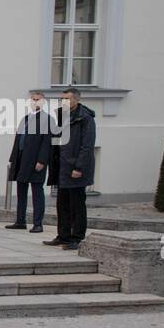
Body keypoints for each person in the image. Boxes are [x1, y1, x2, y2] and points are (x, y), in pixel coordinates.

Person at [51, 87, 96, 251]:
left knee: (77, 206)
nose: (64, 102)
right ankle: (62, 236)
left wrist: (79, 167)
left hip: (76, 169)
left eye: (67, 99)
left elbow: (87, 145)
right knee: (62, 204)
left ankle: (77, 238)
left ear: (76, 99)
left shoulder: (85, 118)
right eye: (62, 99)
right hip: (62, 167)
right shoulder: (63, 116)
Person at [7, 91, 55, 234]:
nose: (35, 102)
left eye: (38, 100)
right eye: (33, 100)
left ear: (43, 102)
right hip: (22, 158)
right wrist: (13, 158)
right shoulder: (26, 118)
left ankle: (38, 223)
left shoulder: (48, 119)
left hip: (35, 160)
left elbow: (47, 142)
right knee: (21, 190)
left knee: (37, 192)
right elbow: (18, 139)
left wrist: (42, 160)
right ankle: (20, 220)